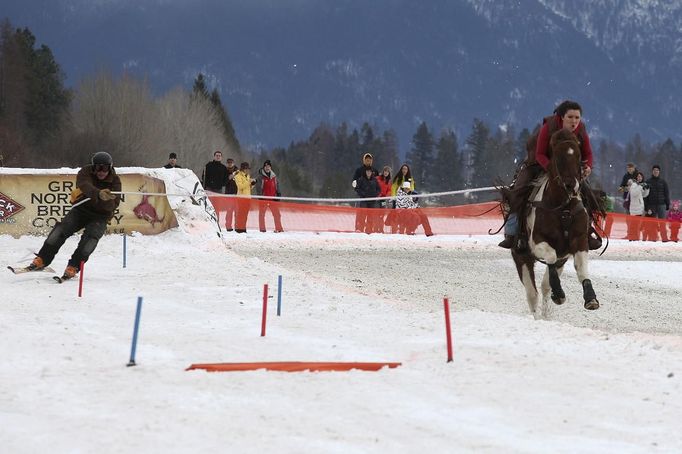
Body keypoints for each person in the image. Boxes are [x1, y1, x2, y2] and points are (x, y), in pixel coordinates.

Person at [499, 100, 600, 250]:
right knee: (518, 192)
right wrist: (553, 170)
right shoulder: (548, 127)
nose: (574, 121)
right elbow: (540, 154)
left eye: (577, 118)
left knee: (588, 195)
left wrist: (588, 167)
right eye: (570, 117)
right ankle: (513, 233)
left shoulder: (581, 130)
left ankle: (587, 231)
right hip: (537, 165)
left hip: (567, 170)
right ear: (561, 117)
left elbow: (588, 153)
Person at [26, 152, 121, 280]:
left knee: (90, 240)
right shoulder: (85, 171)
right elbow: (84, 184)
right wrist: (98, 194)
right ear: (93, 167)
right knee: (60, 231)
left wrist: (106, 200)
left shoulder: (115, 181)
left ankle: (73, 266)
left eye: (105, 168)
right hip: (81, 210)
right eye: (98, 168)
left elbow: (113, 205)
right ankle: (43, 259)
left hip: (100, 215)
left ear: (110, 168)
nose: (101, 172)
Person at [351, 153, 379, 231]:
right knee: (360, 214)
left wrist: (376, 194)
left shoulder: (375, 171)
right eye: (367, 160)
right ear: (364, 161)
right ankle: (359, 229)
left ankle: (369, 229)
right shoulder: (359, 170)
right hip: (361, 197)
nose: (368, 162)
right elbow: (354, 182)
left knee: (371, 215)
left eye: (369, 160)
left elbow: (378, 183)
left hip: (372, 198)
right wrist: (359, 191)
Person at [644, 164, 670, 241]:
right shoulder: (648, 182)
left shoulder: (663, 182)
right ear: (652, 171)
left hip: (661, 204)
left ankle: (664, 238)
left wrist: (667, 203)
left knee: (662, 222)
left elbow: (666, 193)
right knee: (652, 223)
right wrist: (646, 207)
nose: (656, 172)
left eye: (657, 170)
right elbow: (645, 195)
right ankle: (653, 237)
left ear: (659, 172)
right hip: (651, 205)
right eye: (654, 170)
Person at [257, 160, 283, 233]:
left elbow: (277, 185)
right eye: (265, 166)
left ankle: (279, 228)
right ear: (264, 167)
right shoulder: (260, 177)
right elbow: (258, 188)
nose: (267, 168)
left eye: (268, 166)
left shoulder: (274, 176)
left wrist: (278, 194)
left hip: (273, 198)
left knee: (277, 214)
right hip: (264, 199)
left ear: (270, 167)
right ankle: (262, 229)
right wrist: (260, 197)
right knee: (262, 215)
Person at [354, 167, 381, 233]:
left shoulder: (375, 180)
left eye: (370, 171)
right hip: (364, 200)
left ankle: (369, 230)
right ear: (365, 172)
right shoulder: (361, 179)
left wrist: (375, 194)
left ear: (371, 172)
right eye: (367, 171)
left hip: (372, 201)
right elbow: (357, 189)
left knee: (370, 216)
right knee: (362, 216)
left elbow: (379, 189)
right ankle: (361, 229)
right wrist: (362, 194)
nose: (368, 173)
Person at [625, 172, 649, 241]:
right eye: (638, 177)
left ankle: (635, 237)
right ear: (636, 178)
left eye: (641, 177)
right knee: (633, 224)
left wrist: (647, 189)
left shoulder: (640, 185)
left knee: (637, 225)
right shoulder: (633, 185)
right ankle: (632, 237)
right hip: (634, 208)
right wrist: (641, 186)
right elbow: (634, 193)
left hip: (639, 207)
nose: (639, 178)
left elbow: (644, 195)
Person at [234, 161, 256, 233]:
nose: (247, 170)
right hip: (241, 198)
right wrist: (249, 182)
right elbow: (240, 187)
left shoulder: (248, 176)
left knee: (245, 214)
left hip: (248, 198)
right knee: (240, 214)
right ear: (242, 169)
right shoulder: (238, 176)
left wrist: (252, 184)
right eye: (246, 169)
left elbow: (248, 188)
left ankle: (243, 228)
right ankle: (239, 229)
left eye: (248, 169)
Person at [224, 158, 239, 231]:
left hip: (237, 194)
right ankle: (228, 226)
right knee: (229, 211)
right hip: (228, 194)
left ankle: (237, 225)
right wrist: (228, 179)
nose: (230, 164)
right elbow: (223, 183)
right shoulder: (224, 171)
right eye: (228, 163)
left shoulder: (237, 171)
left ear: (233, 163)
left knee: (237, 211)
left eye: (231, 162)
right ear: (227, 164)